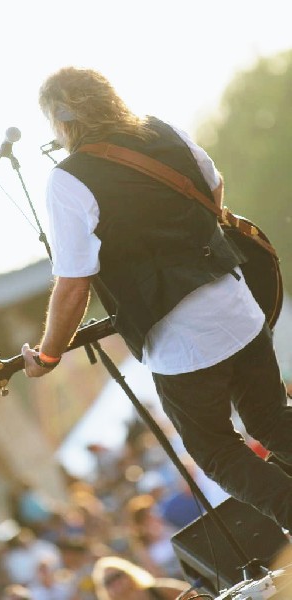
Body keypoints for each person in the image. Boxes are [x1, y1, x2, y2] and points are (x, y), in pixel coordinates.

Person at [21, 66, 292, 533]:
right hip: (236, 306)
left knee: (218, 453)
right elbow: (213, 189)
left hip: (182, 341)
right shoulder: (164, 131)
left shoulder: (68, 179)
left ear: (62, 122)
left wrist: (47, 354)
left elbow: (73, 284)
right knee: (271, 418)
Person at [91, 555, 195, 600]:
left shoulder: (158, 590)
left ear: (128, 573)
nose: (115, 583)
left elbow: (198, 595)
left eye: (116, 576)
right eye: (107, 582)